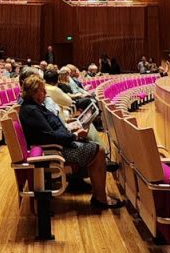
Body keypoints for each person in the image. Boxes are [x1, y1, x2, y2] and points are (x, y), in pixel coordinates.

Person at [17, 75, 119, 209]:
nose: (46, 93)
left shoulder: (34, 106)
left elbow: (51, 129)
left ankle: (94, 191)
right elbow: (50, 137)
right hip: (55, 150)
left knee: (93, 146)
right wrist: (74, 135)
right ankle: (100, 198)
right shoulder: (31, 110)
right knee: (98, 151)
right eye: (42, 90)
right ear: (34, 92)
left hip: (58, 144)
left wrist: (70, 130)